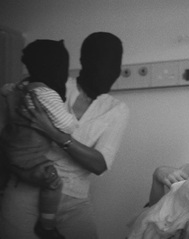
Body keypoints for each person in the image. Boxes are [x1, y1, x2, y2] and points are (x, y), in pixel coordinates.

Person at [0, 32, 129, 239]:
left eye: (115, 65)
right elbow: (11, 132)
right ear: (83, 61)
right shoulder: (50, 84)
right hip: (28, 184)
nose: (109, 72)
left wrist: (54, 133)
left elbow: (100, 164)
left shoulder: (116, 109)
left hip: (75, 199)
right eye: (101, 62)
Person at [0, 39, 77, 239]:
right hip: (30, 161)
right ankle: (47, 225)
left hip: (9, 155)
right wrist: (71, 118)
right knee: (53, 182)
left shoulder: (18, 88)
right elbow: (67, 125)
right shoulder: (45, 94)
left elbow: (5, 97)